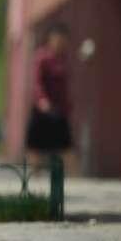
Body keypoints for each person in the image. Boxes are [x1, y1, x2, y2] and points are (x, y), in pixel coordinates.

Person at [26, 23, 74, 171]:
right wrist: (42, 100)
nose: (61, 43)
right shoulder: (42, 57)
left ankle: (74, 179)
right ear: (50, 39)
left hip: (59, 109)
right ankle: (34, 178)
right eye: (58, 40)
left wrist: (67, 105)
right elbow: (37, 81)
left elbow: (64, 87)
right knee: (35, 145)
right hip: (42, 107)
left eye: (63, 40)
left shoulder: (63, 59)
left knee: (66, 145)